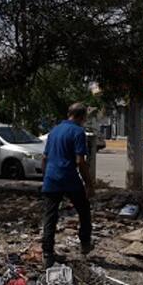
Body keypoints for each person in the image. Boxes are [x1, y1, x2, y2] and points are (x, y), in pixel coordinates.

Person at [41, 102, 93, 267]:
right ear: (81, 116)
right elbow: (80, 161)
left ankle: (48, 254)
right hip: (69, 178)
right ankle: (85, 243)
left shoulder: (54, 130)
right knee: (84, 210)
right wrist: (89, 183)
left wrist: (46, 176)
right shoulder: (78, 132)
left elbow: (44, 158)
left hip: (51, 178)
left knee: (50, 216)